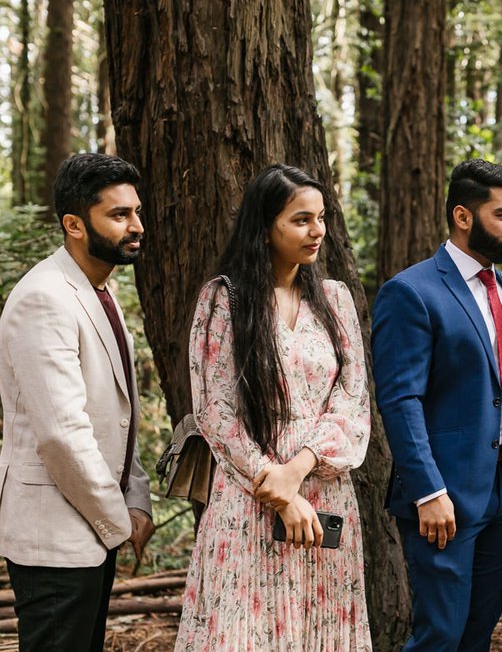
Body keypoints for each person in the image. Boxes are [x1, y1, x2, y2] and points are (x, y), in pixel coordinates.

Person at [174, 165, 372, 651]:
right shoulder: (225, 299)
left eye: (320, 218)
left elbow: (352, 400)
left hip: (323, 489)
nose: (317, 231)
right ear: (265, 227)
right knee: (244, 631)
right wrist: (278, 488)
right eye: (301, 219)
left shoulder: (335, 299)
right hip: (249, 495)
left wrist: (297, 472)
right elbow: (215, 412)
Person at [372, 159, 502, 651]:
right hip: (445, 499)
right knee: (440, 636)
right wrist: (428, 491)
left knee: (477, 633)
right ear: (463, 216)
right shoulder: (411, 291)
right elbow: (400, 399)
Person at [0, 153, 154, 652]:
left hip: (90, 528)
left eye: (136, 211)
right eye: (118, 215)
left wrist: (137, 498)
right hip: (55, 539)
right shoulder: (44, 298)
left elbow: (120, 414)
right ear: (74, 225)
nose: (137, 226)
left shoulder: (97, 291)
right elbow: (62, 435)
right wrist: (118, 520)